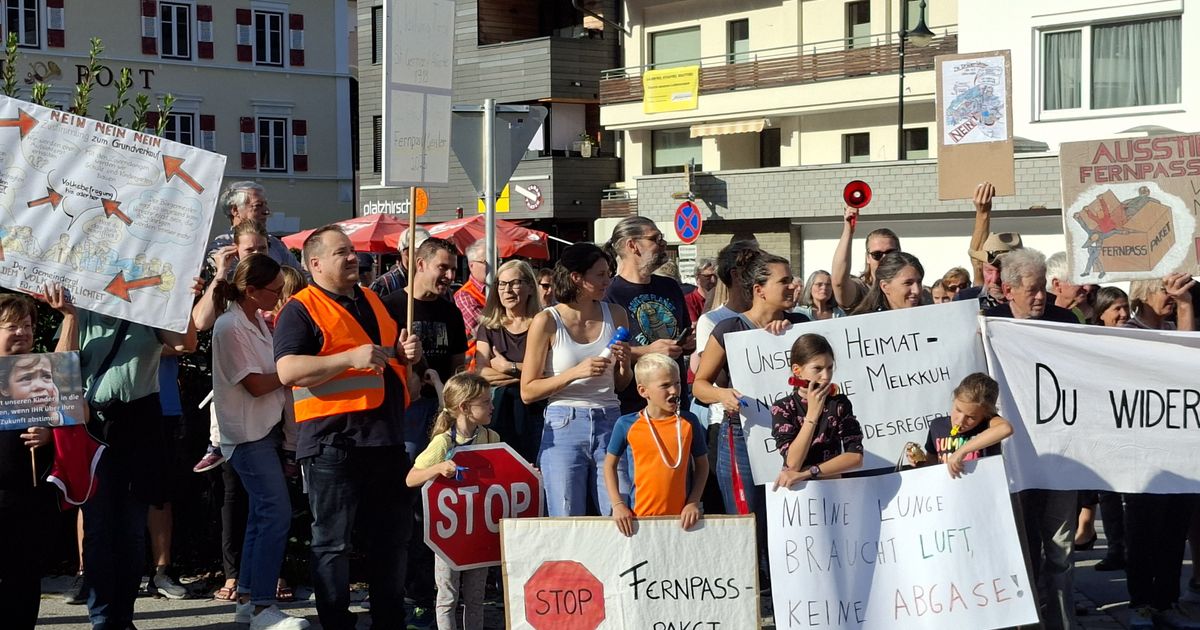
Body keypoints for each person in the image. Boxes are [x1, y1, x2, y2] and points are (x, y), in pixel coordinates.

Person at [274, 225, 423, 630]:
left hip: (385, 438)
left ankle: (388, 619)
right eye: (342, 252)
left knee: (392, 540)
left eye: (352, 251)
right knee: (333, 543)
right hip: (333, 443)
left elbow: (389, 358)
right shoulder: (301, 308)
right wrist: (348, 359)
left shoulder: (373, 300)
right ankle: (336, 623)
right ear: (315, 263)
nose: (353, 258)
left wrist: (405, 353)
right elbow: (287, 370)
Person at [79, 275, 201, 629]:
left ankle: (123, 616)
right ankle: (102, 617)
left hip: (140, 425)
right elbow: (65, 365)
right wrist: (70, 316)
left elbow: (187, 343)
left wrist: (182, 301)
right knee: (99, 528)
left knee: (132, 530)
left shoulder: (150, 307)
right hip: (94, 425)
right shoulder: (84, 308)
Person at [981, 248, 1078, 630]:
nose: (1041, 297)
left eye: (1043, 290)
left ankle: (1062, 624)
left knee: (1062, 552)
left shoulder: (1065, 321)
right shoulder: (987, 325)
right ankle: (1026, 624)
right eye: (1033, 290)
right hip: (1012, 459)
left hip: (1061, 458)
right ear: (1008, 291)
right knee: (1019, 551)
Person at [209, 253, 306, 629]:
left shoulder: (254, 321)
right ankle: (263, 607)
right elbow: (255, 384)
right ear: (251, 291)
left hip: (262, 430)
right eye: (274, 291)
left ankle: (249, 600)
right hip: (246, 435)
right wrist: (293, 371)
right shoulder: (230, 326)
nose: (280, 297)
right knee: (275, 513)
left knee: (262, 516)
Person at [521, 243, 633, 517]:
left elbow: (622, 384)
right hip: (563, 423)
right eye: (601, 274)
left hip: (610, 418)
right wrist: (575, 373)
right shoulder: (547, 320)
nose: (608, 280)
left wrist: (624, 362)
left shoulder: (616, 314)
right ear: (577, 277)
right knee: (566, 514)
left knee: (620, 511)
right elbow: (527, 391)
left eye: (609, 273)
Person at [1121, 274, 1197, 629]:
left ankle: (1166, 601)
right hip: (1142, 451)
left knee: (1173, 529)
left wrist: (1184, 306)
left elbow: (1186, 357)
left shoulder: (1172, 324)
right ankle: (1141, 602)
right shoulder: (1128, 331)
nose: (1172, 296)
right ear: (1143, 293)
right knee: (1144, 530)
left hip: (1177, 449)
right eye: (1165, 290)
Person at [0, 288, 77, 630]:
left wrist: (49, 433)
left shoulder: (42, 369)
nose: (23, 332)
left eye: (28, 325)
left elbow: (69, 401)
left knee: (25, 578)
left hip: (29, 496)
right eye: (12, 326)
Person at [406, 372, 501, 630]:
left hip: (478, 532)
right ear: (464, 408)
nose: (492, 405)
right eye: (485, 401)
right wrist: (437, 469)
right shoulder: (443, 441)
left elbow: (503, 475)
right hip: (448, 535)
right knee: (447, 597)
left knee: (476, 599)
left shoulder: (491, 438)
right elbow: (411, 478)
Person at [382, 237, 468, 457]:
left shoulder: (452, 313)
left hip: (442, 407)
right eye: (442, 268)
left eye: (453, 269)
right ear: (420, 264)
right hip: (405, 407)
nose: (449, 276)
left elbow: (458, 364)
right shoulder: (389, 307)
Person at [605, 353, 708, 536]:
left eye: (677, 383)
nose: (674, 391)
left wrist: (693, 502)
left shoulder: (689, 422)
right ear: (643, 391)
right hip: (639, 520)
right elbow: (609, 466)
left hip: (681, 522)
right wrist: (618, 504)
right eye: (665, 385)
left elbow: (702, 465)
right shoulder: (626, 424)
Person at [603, 217, 692, 414]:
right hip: (633, 405)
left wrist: (686, 344)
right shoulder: (609, 293)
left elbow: (681, 333)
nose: (663, 244)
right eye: (656, 239)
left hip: (675, 403)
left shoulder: (670, 286)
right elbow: (605, 352)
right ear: (633, 245)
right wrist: (648, 351)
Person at [770, 334, 863, 489]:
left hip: (834, 488)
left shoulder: (839, 403)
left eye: (830, 368)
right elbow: (793, 464)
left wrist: (808, 472)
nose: (826, 377)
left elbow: (855, 457)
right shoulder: (783, 407)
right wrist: (812, 415)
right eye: (817, 369)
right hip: (800, 492)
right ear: (797, 371)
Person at [474, 260, 545, 463]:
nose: (507, 290)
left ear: (530, 287)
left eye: (514, 283)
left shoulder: (543, 323)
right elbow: (482, 372)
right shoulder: (489, 326)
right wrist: (528, 376)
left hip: (536, 411)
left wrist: (508, 367)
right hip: (500, 410)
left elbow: (550, 372)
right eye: (502, 284)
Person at [907, 373, 1012, 476]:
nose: (960, 421)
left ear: (986, 415)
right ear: (954, 399)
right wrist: (918, 461)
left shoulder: (987, 424)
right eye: (958, 410)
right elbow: (932, 465)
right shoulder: (937, 426)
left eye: (971, 417)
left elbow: (1006, 429)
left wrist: (962, 451)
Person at [207, 182, 300, 271]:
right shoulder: (221, 247)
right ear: (235, 210)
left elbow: (301, 276)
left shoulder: (275, 243)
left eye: (265, 205)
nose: (267, 211)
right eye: (258, 205)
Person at [831, 204, 901, 311]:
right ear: (868, 258)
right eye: (877, 255)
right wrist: (848, 230)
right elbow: (839, 283)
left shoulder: (913, 288)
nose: (884, 258)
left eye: (890, 253)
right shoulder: (861, 290)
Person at [850, 251, 925, 315]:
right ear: (885, 286)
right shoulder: (863, 323)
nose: (917, 290)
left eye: (919, 282)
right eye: (908, 283)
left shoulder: (929, 317)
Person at [454, 241, 488, 371]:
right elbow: (484, 329)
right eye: (486, 261)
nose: (494, 266)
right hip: (474, 368)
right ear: (471, 265)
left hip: (493, 366)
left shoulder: (499, 289)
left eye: (497, 260)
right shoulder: (464, 295)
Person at [371, 226, 431, 298]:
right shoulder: (384, 284)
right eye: (421, 248)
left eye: (430, 249)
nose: (428, 253)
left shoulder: (434, 283)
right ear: (404, 252)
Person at [1046, 252, 1093, 324]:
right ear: (1057, 284)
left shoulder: (1077, 314)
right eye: (1079, 281)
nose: (1088, 288)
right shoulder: (1040, 315)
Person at [684, 258, 717, 323]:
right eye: (708, 276)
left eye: (715, 276)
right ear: (697, 278)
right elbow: (697, 326)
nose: (713, 280)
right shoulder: (689, 301)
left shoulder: (722, 299)